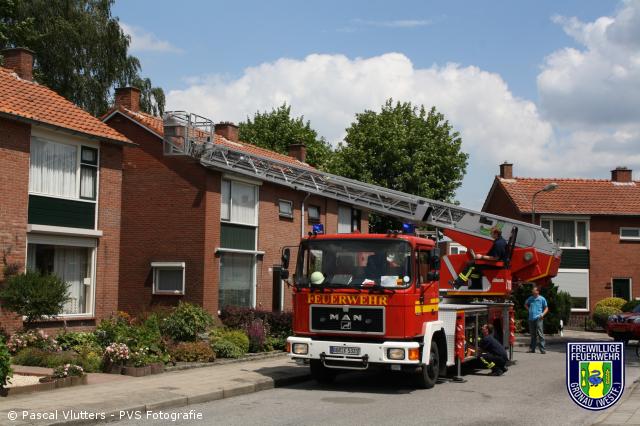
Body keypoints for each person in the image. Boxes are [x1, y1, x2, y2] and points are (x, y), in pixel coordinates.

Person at [525, 286, 548, 354]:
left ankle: (542, 349)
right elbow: (525, 304)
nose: (532, 291)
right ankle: (532, 349)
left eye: (534, 290)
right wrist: (529, 309)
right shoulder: (530, 298)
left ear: (537, 291)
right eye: (532, 290)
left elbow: (546, 308)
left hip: (539, 318)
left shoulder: (542, 299)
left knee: (540, 334)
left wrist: (542, 314)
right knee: (533, 334)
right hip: (531, 318)